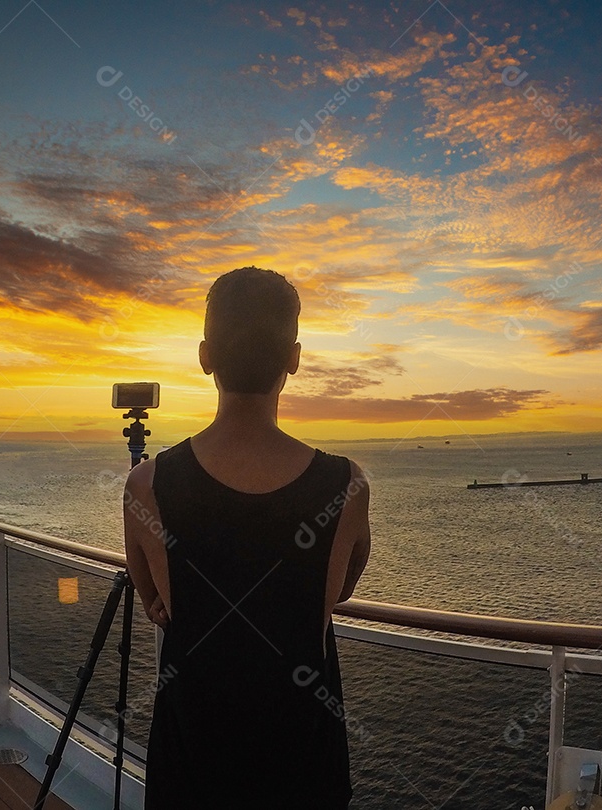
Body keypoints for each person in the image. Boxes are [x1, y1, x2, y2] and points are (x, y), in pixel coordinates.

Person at [124, 267, 371, 808]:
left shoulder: (147, 485)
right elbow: (340, 592)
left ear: (205, 356)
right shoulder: (347, 485)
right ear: (294, 358)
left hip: (194, 755)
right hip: (303, 758)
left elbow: (155, 603)